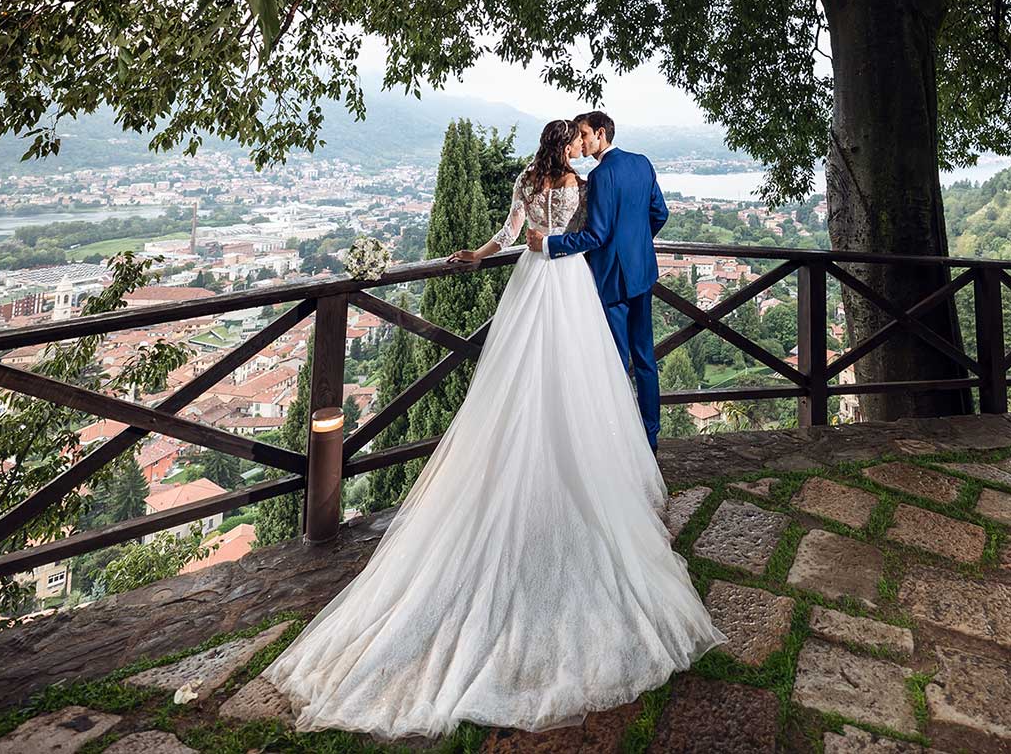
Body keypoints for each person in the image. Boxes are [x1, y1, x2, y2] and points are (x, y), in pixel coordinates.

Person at [259, 118, 723, 738]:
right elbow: (593, 236)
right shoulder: (584, 182)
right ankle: (604, 448)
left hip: (535, 280)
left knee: (531, 372)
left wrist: (483, 255)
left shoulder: (531, 180)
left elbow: (513, 235)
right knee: (600, 370)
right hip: (574, 285)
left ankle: (534, 455)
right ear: (570, 144)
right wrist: (554, 246)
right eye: (575, 140)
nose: (579, 148)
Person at [530, 111, 669, 449]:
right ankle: (650, 438)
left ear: (601, 133)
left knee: (617, 362)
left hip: (613, 281)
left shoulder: (601, 175)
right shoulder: (642, 163)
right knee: (646, 359)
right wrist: (635, 245)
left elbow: (597, 235)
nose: (580, 141)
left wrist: (549, 243)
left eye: (584, 134)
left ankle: (620, 444)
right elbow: (659, 213)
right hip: (642, 273)